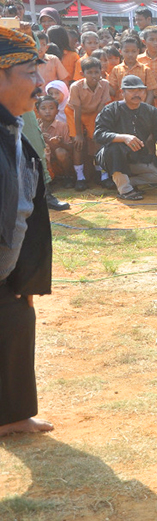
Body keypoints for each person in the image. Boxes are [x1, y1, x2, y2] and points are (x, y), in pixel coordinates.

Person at [0, 26, 55, 438]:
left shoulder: (14, 127)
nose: (40, 84)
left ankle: (13, 414)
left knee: (16, 320)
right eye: (29, 74)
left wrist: (26, 273)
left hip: (7, 266)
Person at [94, 75, 157, 201]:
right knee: (115, 148)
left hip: (137, 156)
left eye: (140, 90)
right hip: (112, 157)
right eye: (132, 90)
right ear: (122, 92)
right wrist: (123, 137)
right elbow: (99, 134)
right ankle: (125, 190)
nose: (137, 94)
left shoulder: (151, 111)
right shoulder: (111, 109)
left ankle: (126, 182)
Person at [68, 56, 112, 191]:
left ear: (101, 72)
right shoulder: (76, 87)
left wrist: (95, 129)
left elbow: (101, 107)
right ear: (83, 74)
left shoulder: (105, 84)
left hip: (94, 112)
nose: (94, 76)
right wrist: (79, 134)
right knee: (78, 143)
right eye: (90, 72)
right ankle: (80, 178)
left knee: (98, 141)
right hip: (74, 113)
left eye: (96, 72)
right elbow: (77, 110)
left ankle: (103, 175)